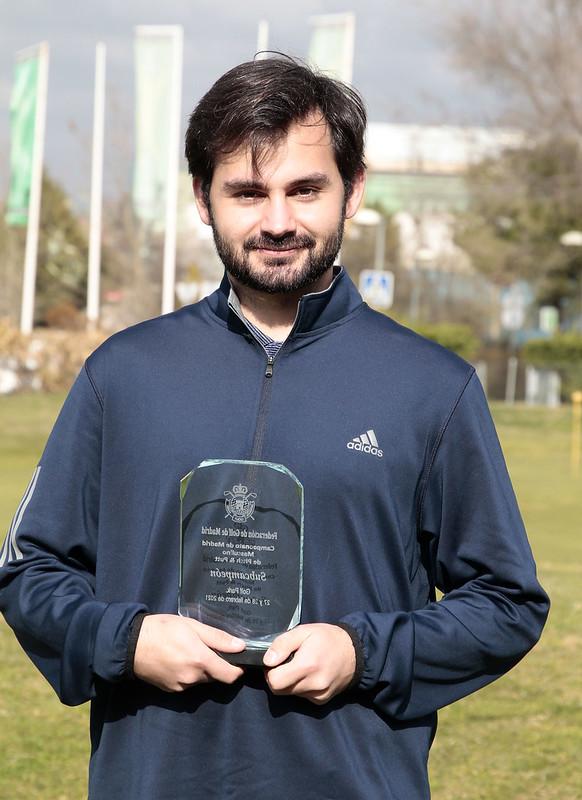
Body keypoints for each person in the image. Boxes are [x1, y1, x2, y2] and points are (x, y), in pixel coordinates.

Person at [0, 56, 549, 800]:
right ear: (202, 197)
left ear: (353, 190)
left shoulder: (432, 389)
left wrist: (364, 652)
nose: (279, 221)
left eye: (305, 189)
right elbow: (30, 572)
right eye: (248, 193)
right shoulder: (121, 375)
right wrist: (126, 642)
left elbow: (507, 603)